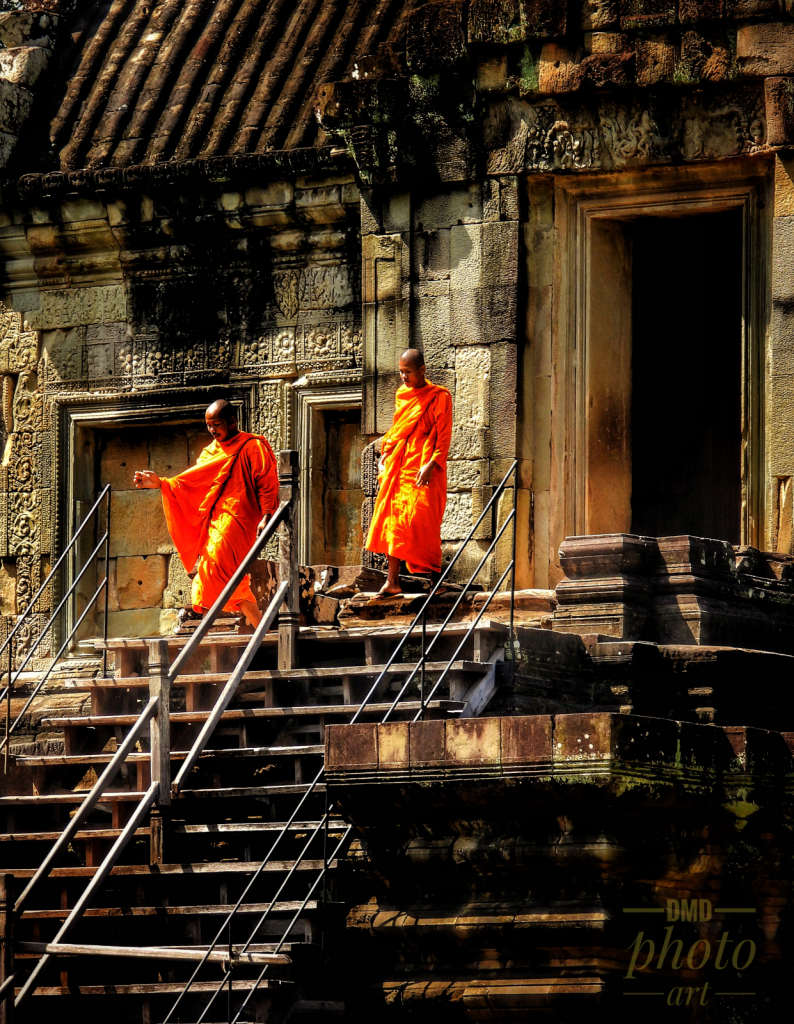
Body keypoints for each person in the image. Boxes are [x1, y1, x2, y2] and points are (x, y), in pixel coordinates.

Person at [133, 400, 278, 627]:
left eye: (217, 424)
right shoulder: (210, 452)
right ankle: (263, 628)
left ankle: (251, 628)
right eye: (208, 425)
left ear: (232, 422)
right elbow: (192, 484)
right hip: (216, 519)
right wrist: (161, 483)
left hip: (239, 519)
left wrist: (267, 514)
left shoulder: (252, 446)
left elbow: (267, 483)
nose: (212, 430)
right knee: (212, 572)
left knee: (217, 567)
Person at [365, 348, 453, 597]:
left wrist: (432, 464)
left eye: (408, 372)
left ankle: (435, 580)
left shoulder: (439, 396)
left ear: (422, 370)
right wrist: (386, 451)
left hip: (425, 467)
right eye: (401, 372)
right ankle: (392, 581)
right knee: (394, 522)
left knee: (424, 521)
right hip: (401, 466)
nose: (403, 377)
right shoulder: (403, 394)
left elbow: (443, 435)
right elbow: (398, 428)